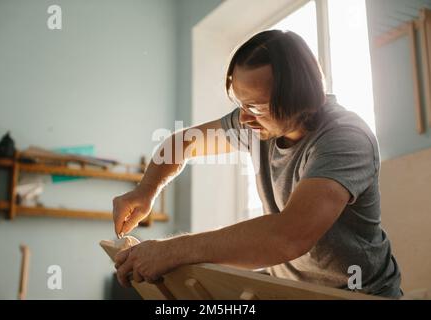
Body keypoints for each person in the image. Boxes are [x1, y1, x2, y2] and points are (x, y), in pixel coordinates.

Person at [112, 30, 402, 298]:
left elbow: (288, 236)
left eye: (257, 107)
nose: (245, 118)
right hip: (290, 290)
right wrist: (145, 191)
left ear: (302, 99)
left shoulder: (345, 139)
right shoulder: (256, 123)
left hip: (358, 293)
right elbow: (182, 143)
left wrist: (171, 251)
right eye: (240, 103)